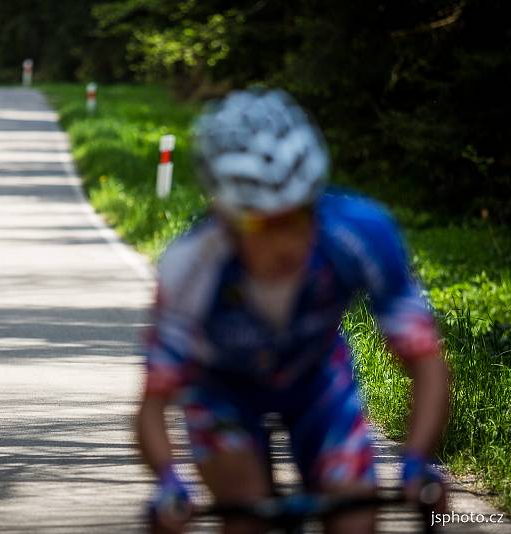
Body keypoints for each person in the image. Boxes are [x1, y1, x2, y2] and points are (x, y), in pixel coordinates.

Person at [136, 89, 449, 533]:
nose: (286, 239)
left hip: (318, 382)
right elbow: (152, 407)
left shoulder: (362, 233)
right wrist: (168, 482)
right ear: (225, 216)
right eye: (261, 223)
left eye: (300, 215)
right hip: (223, 392)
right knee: (244, 510)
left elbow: (426, 362)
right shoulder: (189, 267)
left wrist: (418, 460)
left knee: (355, 515)